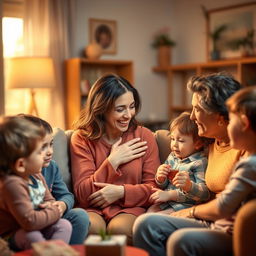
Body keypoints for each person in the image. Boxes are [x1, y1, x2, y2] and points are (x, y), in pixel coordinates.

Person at [133, 73, 246, 256]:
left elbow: (228, 205)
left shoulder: (244, 146)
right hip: (208, 219)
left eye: (197, 109)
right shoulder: (210, 143)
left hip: (227, 224)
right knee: (145, 224)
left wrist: (190, 212)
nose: (192, 117)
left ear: (219, 116)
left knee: (179, 239)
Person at [70, 73, 160, 245]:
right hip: (92, 209)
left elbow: (155, 189)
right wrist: (113, 161)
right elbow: (82, 193)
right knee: (92, 229)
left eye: (132, 107)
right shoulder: (82, 138)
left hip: (130, 209)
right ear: (101, 109)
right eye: (120, 109)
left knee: (119, 230)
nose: (129, 115)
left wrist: (121, 192)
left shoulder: (144, 136)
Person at [0, 116, 72, 251]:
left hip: (39, 223)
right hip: (13, 234)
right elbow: (30, 222)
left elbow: (49, 199)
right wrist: (55, 210)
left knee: (64, 225)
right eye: (39, 152)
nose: (46, 154)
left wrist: (52, 206)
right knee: (32, 236)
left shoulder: (36, 175)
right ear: (21, 164)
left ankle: (55, 253)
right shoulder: (12, 184)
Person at [18, 114, 90, 245]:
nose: (50, 152)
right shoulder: (14, 179)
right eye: (42, 147)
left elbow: (66, 195)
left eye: (51, 145)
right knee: (32, 235)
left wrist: (62, 205)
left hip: (49, 216)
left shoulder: (51, 167)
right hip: (24, 226)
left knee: (80, 216)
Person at [147, 111, 209, 214]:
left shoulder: (199, 163)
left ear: (198, 144)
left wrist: (188, 186)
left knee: (156, 217)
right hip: (166, 202)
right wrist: (160, 178)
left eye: (181, 141)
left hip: (185, 206)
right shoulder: (172, 156)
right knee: (149, 212)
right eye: (172, 139)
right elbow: (164, 185)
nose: (174, 145)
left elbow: (204, 194)